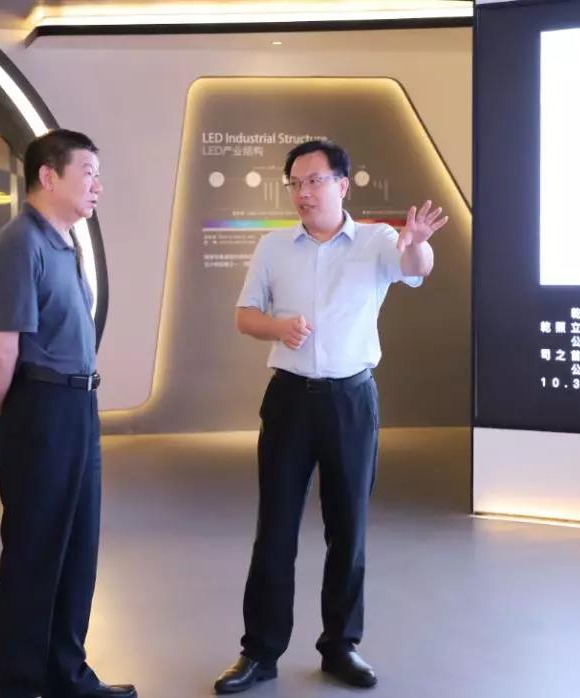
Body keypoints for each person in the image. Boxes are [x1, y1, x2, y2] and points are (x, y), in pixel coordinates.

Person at [212, 139, 447, 694]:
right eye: (295, 183)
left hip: (350, 402)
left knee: (348, 529)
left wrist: (417, 244)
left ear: (342, 185)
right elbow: (245, 316)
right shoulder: (273, 247)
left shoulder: (377, 240)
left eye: (314, 181)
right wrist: (278, 327)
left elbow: (414, 267)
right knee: (275, 530)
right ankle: (259, 652)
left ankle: (341, 646)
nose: (303, 193)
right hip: (289, 399)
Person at [0, 129, 136, 698]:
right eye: (88, 172)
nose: (98, 185)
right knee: (35, 552)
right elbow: (1, 347)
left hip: (77, 407)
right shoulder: (21, 242)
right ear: (48, 175)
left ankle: (66, 674)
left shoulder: (64, 242)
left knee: (76, 548)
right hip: (40, 410)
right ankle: (17, 685)